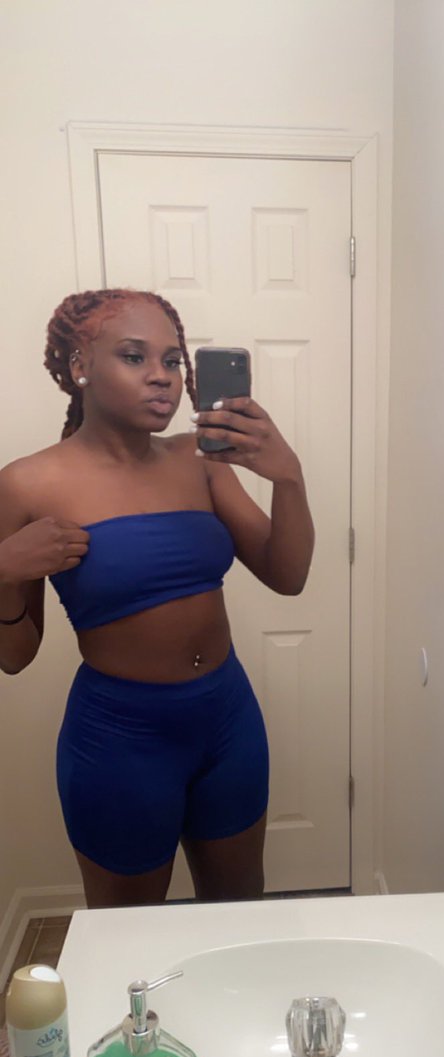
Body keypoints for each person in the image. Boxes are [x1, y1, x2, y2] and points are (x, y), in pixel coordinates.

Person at [0, 289, 314, 908]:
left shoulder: (199, 459)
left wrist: (288, 477)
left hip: (227, 719)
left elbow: (287, 575)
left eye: (172, 361)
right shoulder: (27, 484)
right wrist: (3, 571)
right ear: (80, 366)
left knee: (239, 905)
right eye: (134, 356)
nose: (162, 377)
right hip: (121, 739)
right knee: (128, 928)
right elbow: (15, 656)